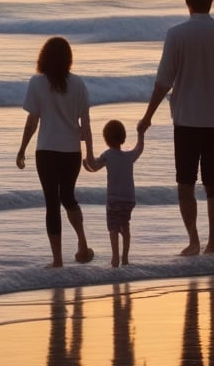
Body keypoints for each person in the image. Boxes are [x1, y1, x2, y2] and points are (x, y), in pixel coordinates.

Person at [138, 0, 214, 256]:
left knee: (185, 184)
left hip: (186, 120)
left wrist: (147, 116)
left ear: (187, 1)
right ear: (211, 2)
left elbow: (163, 82)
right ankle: (212, 242)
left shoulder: (176, 35)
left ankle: (194, 241)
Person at [17, 36, 96, 268]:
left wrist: (22, 149)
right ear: (68, 59)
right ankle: (82, 244)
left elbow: (32, 121)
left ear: (44, 57)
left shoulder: (37, 83)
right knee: (68, 197)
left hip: (46, 151)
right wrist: (90, 154)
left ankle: (57, 260)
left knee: (52, 203)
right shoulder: (79, 84)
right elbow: (87, 124)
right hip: (71, 151)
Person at [86, 119, 144, 268]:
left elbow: (94, 165)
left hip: (113, 200)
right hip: (129, 200)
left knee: (113, 228)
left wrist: (86, 159)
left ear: (106, 139)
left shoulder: (107, 155)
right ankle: (125, 257)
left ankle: (115, 258)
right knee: (125, 226)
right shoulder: (128, 157)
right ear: (123, 137)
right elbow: (139, 148)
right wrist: (141, 134)